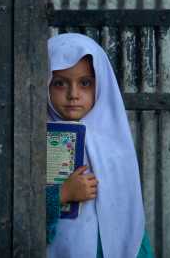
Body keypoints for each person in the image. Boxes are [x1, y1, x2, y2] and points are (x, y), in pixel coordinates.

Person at [46, 33, 154, 258]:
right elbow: (18, 210)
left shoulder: (114, 143)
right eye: (59, 83)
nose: (73, 94)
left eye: (85, 83)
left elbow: (127, 222)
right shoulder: (32, 140)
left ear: (101, 83)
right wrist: (62, 194)